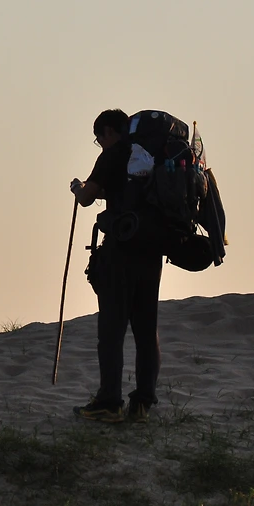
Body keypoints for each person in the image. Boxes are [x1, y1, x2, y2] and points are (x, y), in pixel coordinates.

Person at [68, 108, 163, 424]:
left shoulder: (113, 154)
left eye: (99, 138)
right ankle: (142, 404)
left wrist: (78, 188)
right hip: (151, 253)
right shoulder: (149, 157)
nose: (101, 143)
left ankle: (109, 402)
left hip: (120, 252)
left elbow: (87, 197)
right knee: (146, 330)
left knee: (111, 330)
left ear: (109, 131)